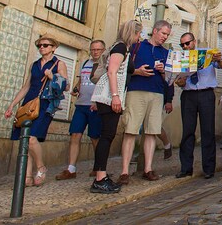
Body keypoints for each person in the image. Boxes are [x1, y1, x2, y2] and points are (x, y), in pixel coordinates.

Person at [4, 34, 68, 187]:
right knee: (25, 140)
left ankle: (41, 167)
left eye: (45, 45)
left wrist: (52, 76)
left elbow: (66, 86)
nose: (42, 48)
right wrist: (12, 105)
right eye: (39, 45)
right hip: (29, 104)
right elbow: (26, 87)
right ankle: (27, 177)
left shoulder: (59, 64)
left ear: (53, 47)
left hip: (45, 104)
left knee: (32, 138)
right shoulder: (34, 65)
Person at [90, 19, 142, 194]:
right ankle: (100, 179)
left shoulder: (120, 47)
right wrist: (115, 97)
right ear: (132, 33)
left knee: (106, 136)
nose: (139, 37)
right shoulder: (120, 47)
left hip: (107, 96)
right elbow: (112, 71)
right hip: (108, 96)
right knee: (107, 136)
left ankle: (100, 177)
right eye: (138, 33)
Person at [118, 20, 173, 184]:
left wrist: (164, 73)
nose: (165, 37)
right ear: (155, 31)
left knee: (151, 132)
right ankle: (124, 171)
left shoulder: (166, 53)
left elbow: (170, 80)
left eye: (167, 35)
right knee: (130, 130)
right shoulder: (137, 46)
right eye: (163, 33)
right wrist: (137, 71)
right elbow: (122, 68)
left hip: (157, 94)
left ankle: (148, 169)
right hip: (136, 91)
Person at [175, 32, 222, 179]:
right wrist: (180, 82)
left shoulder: (207, 53)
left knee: (207, 131)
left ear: (194, 42)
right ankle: (186, 168)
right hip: (188, 95)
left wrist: (219, 59)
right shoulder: (181, 58)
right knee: (187, 132)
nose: (185, 46)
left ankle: (209, 169)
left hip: (206, 94)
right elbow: (178, 79)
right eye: (182, 45)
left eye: (187, 43)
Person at [56, 39, 106, 180]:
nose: (95, 52)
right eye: (93, 49)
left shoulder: (105, 65)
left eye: (98, 50)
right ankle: (71, 169)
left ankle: (98, 167)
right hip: (81, 104)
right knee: (75, 135)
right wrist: (76, 88)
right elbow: (81, 80)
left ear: (103, 51)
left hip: (95, 106)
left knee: (94, 137)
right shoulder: (85, 63)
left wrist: (98, 101)